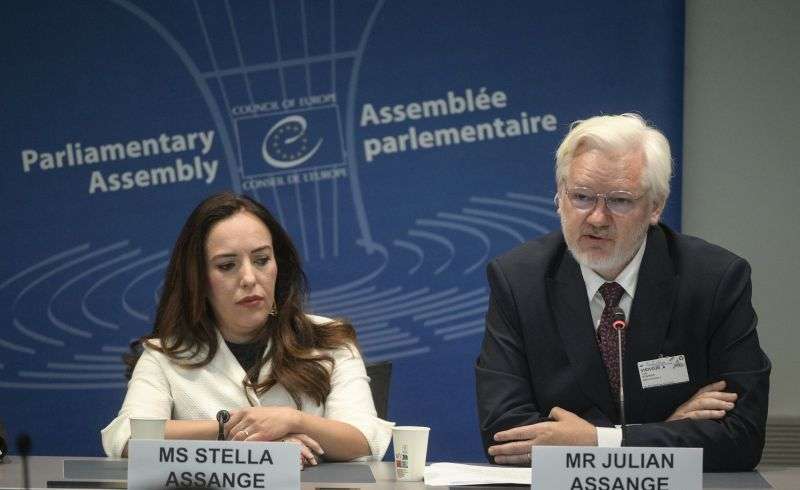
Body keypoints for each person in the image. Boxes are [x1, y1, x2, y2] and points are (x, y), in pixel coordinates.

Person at [475, 113, 770, 471]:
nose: (597, 218)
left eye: (619, 201)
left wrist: (600, 441)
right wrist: (662, 433)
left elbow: (741, 438)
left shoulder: (714, 280)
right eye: (581, 197)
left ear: (655, 206)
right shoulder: (519, 281)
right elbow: (505, 437)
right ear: (559, 197)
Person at [102, 192, 393, 463]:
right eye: (227, 265)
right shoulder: (164, 355)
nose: (249, 278)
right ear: (198, 279)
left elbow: (364, 439)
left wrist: (292, 421)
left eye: (262, 260)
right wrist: (233, 430)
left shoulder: (329, 338)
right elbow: (128, 439)